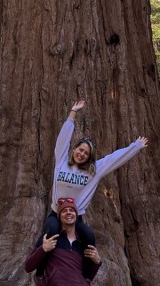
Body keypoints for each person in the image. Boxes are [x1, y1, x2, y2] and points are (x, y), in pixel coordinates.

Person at [35, 99, 148, 276]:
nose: (82, 154)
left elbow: (114, 159)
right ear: (74, 150)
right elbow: (62, 140)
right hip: (56, 214)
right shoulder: (62, 162)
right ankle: (40, 273)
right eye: (80, 150)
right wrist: (72, 114)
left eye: (86, 153)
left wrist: (136, 147)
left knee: (88, 238)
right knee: (50, 231)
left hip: (76, 217)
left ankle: (86, 277)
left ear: (89, 157)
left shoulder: (94, 171)